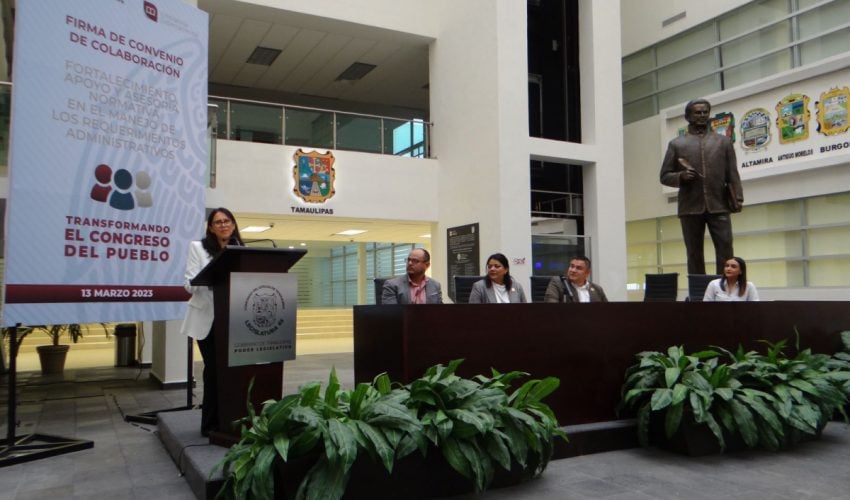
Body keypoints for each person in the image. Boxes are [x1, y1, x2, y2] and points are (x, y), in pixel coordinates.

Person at [660, 98, 743, 275]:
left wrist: (738, 197)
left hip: (719, 204)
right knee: (694, 253)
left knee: (726, 249)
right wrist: (680, 176)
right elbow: (664, 176)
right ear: (688, 116)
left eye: (705, 112)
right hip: (690, 207)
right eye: (698, 112)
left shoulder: (723, 142)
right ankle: (698, 290)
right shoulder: (677, 144)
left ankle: (724, 287)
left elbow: (732, 173)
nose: (702, 115)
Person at [180, 208, 245, 437]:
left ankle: (232, 419)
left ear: (233, 225)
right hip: (207, 319)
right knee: (214, 371)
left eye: (227, 221)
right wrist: (213, 278)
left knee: (233, 371)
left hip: (234, 319)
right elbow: (189, 284)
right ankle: (209, 424)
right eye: (218, 222)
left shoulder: (241, 249)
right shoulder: (197, 248)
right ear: (210, 227)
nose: (223, 225)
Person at [544, 255, 608, 303]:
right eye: (572, 266)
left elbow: (607, 310)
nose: (573, 270)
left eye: (578, 268)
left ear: (587, 273)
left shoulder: (597, 289)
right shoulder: (558, 283)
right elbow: (551, 306)